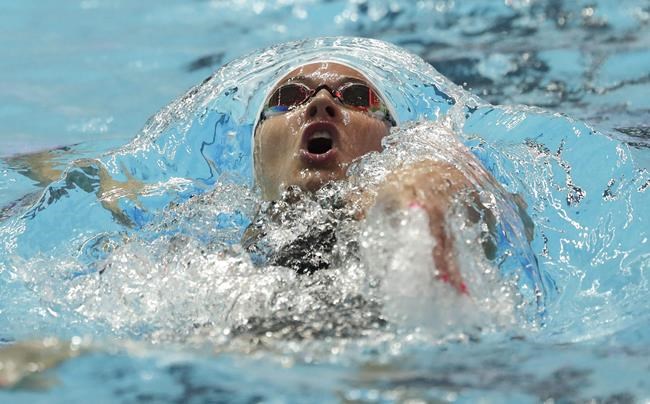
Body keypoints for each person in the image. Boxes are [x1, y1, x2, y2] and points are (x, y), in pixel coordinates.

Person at [248, 61, 529, 293]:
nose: (321, 102)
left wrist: (432, 198)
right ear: (258, 157)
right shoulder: (221, 256)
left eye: (358, 97)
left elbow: (498, 210)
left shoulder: (405, 196)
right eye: (289, 97)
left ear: (390, 143)